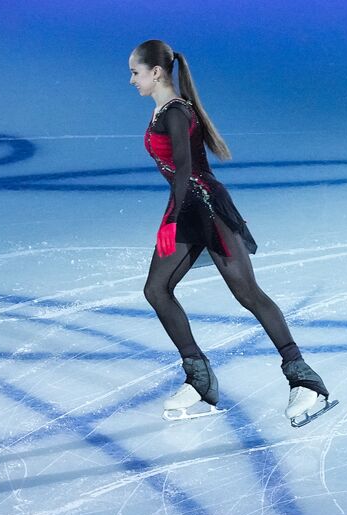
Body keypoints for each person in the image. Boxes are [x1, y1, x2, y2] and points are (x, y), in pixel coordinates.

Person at [130, 39, 335, 427]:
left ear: (156, 72)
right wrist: (175, 215)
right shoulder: (164, 110)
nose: (131, 80)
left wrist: (170, 221)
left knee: (247, 294)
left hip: (207, 211)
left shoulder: (175, 112)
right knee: (156, 289)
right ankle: (199, 376)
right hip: (189, 209)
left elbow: (188, 171)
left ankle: (304, 380)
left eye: (135, 72)